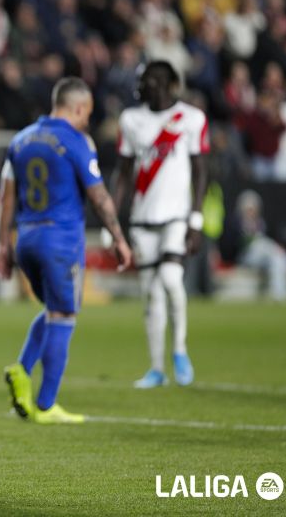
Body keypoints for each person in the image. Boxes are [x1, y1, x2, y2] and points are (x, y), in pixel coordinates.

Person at [0, 77, 132, 424]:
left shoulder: (21, 139)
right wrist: (117, 237)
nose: (87, 119)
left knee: (55, 309)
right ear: (77, 107)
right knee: (65, 315)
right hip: (61, 240)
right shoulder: (77, 140)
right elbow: (99, 196)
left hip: (26, 240)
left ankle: (22, 370)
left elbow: (6, 197)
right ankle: (46, 404)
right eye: (87, 112)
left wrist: (2, 244)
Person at [112, 61, 209, 388]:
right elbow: (123, 171)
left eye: (147, 81)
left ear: (166, 84)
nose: (141, 87)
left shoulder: (191, 118)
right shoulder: (130, 119)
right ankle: (156, 367)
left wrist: (196, 220)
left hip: (176, 216)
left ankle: (180, 350)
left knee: (170, 278)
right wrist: (114, 220)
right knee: (150, 293)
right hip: (142, 218)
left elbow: (201, 171)